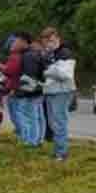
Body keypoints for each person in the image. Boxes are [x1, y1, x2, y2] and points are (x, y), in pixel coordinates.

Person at [38, 26, 76, 162]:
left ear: (57, 38)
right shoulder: (49, 54)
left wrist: (48, 70)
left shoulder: (64, 53)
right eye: (46, 41)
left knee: (59, 122)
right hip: (51, 90)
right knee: (53, 123)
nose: (48, 43)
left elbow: (65, 74)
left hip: (62, 91)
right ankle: (57, 151)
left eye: (51, 40)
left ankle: (61, 153)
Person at [10, 32, 45, 147]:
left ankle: (32, 141)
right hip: (36, 90)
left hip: (31, 91)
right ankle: (37, 139)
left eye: (17, 41)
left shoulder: (29, 56)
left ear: (24, 42)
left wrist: (23, 92)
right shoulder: (30, 53)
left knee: (30, 116)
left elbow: (29, 76)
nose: (15, 43)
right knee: (36, 115)